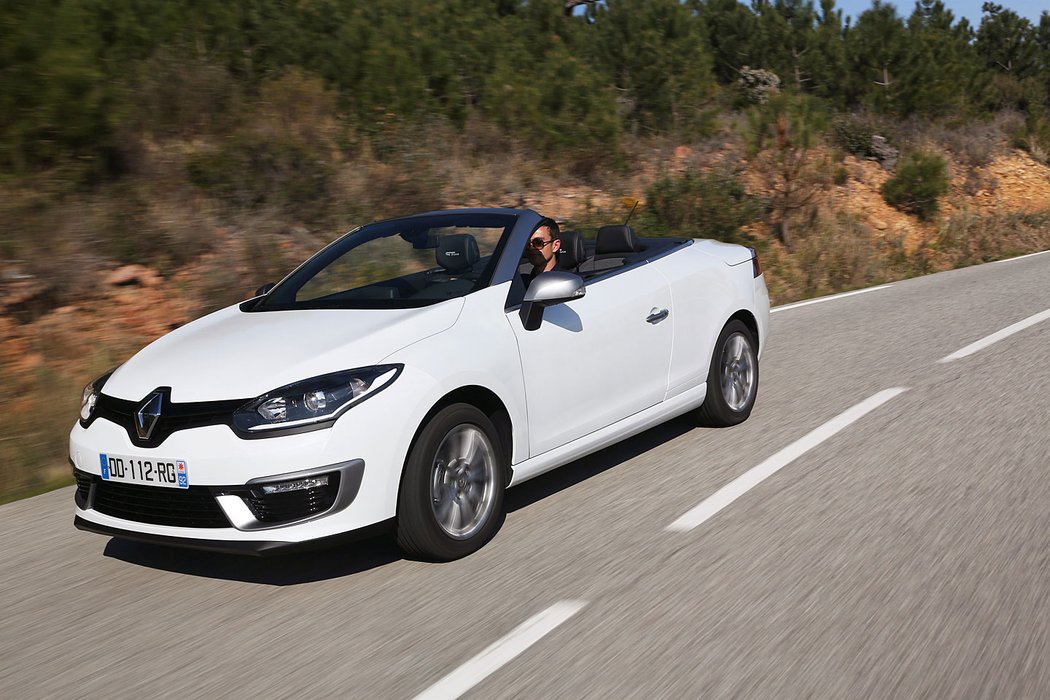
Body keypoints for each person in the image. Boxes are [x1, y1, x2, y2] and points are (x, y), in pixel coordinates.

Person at [523, 220, 561, 286]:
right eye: (527, 244)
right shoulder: (520, 283)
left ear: (555, 246)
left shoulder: (567, 282)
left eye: (538, 242)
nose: (531, 248)